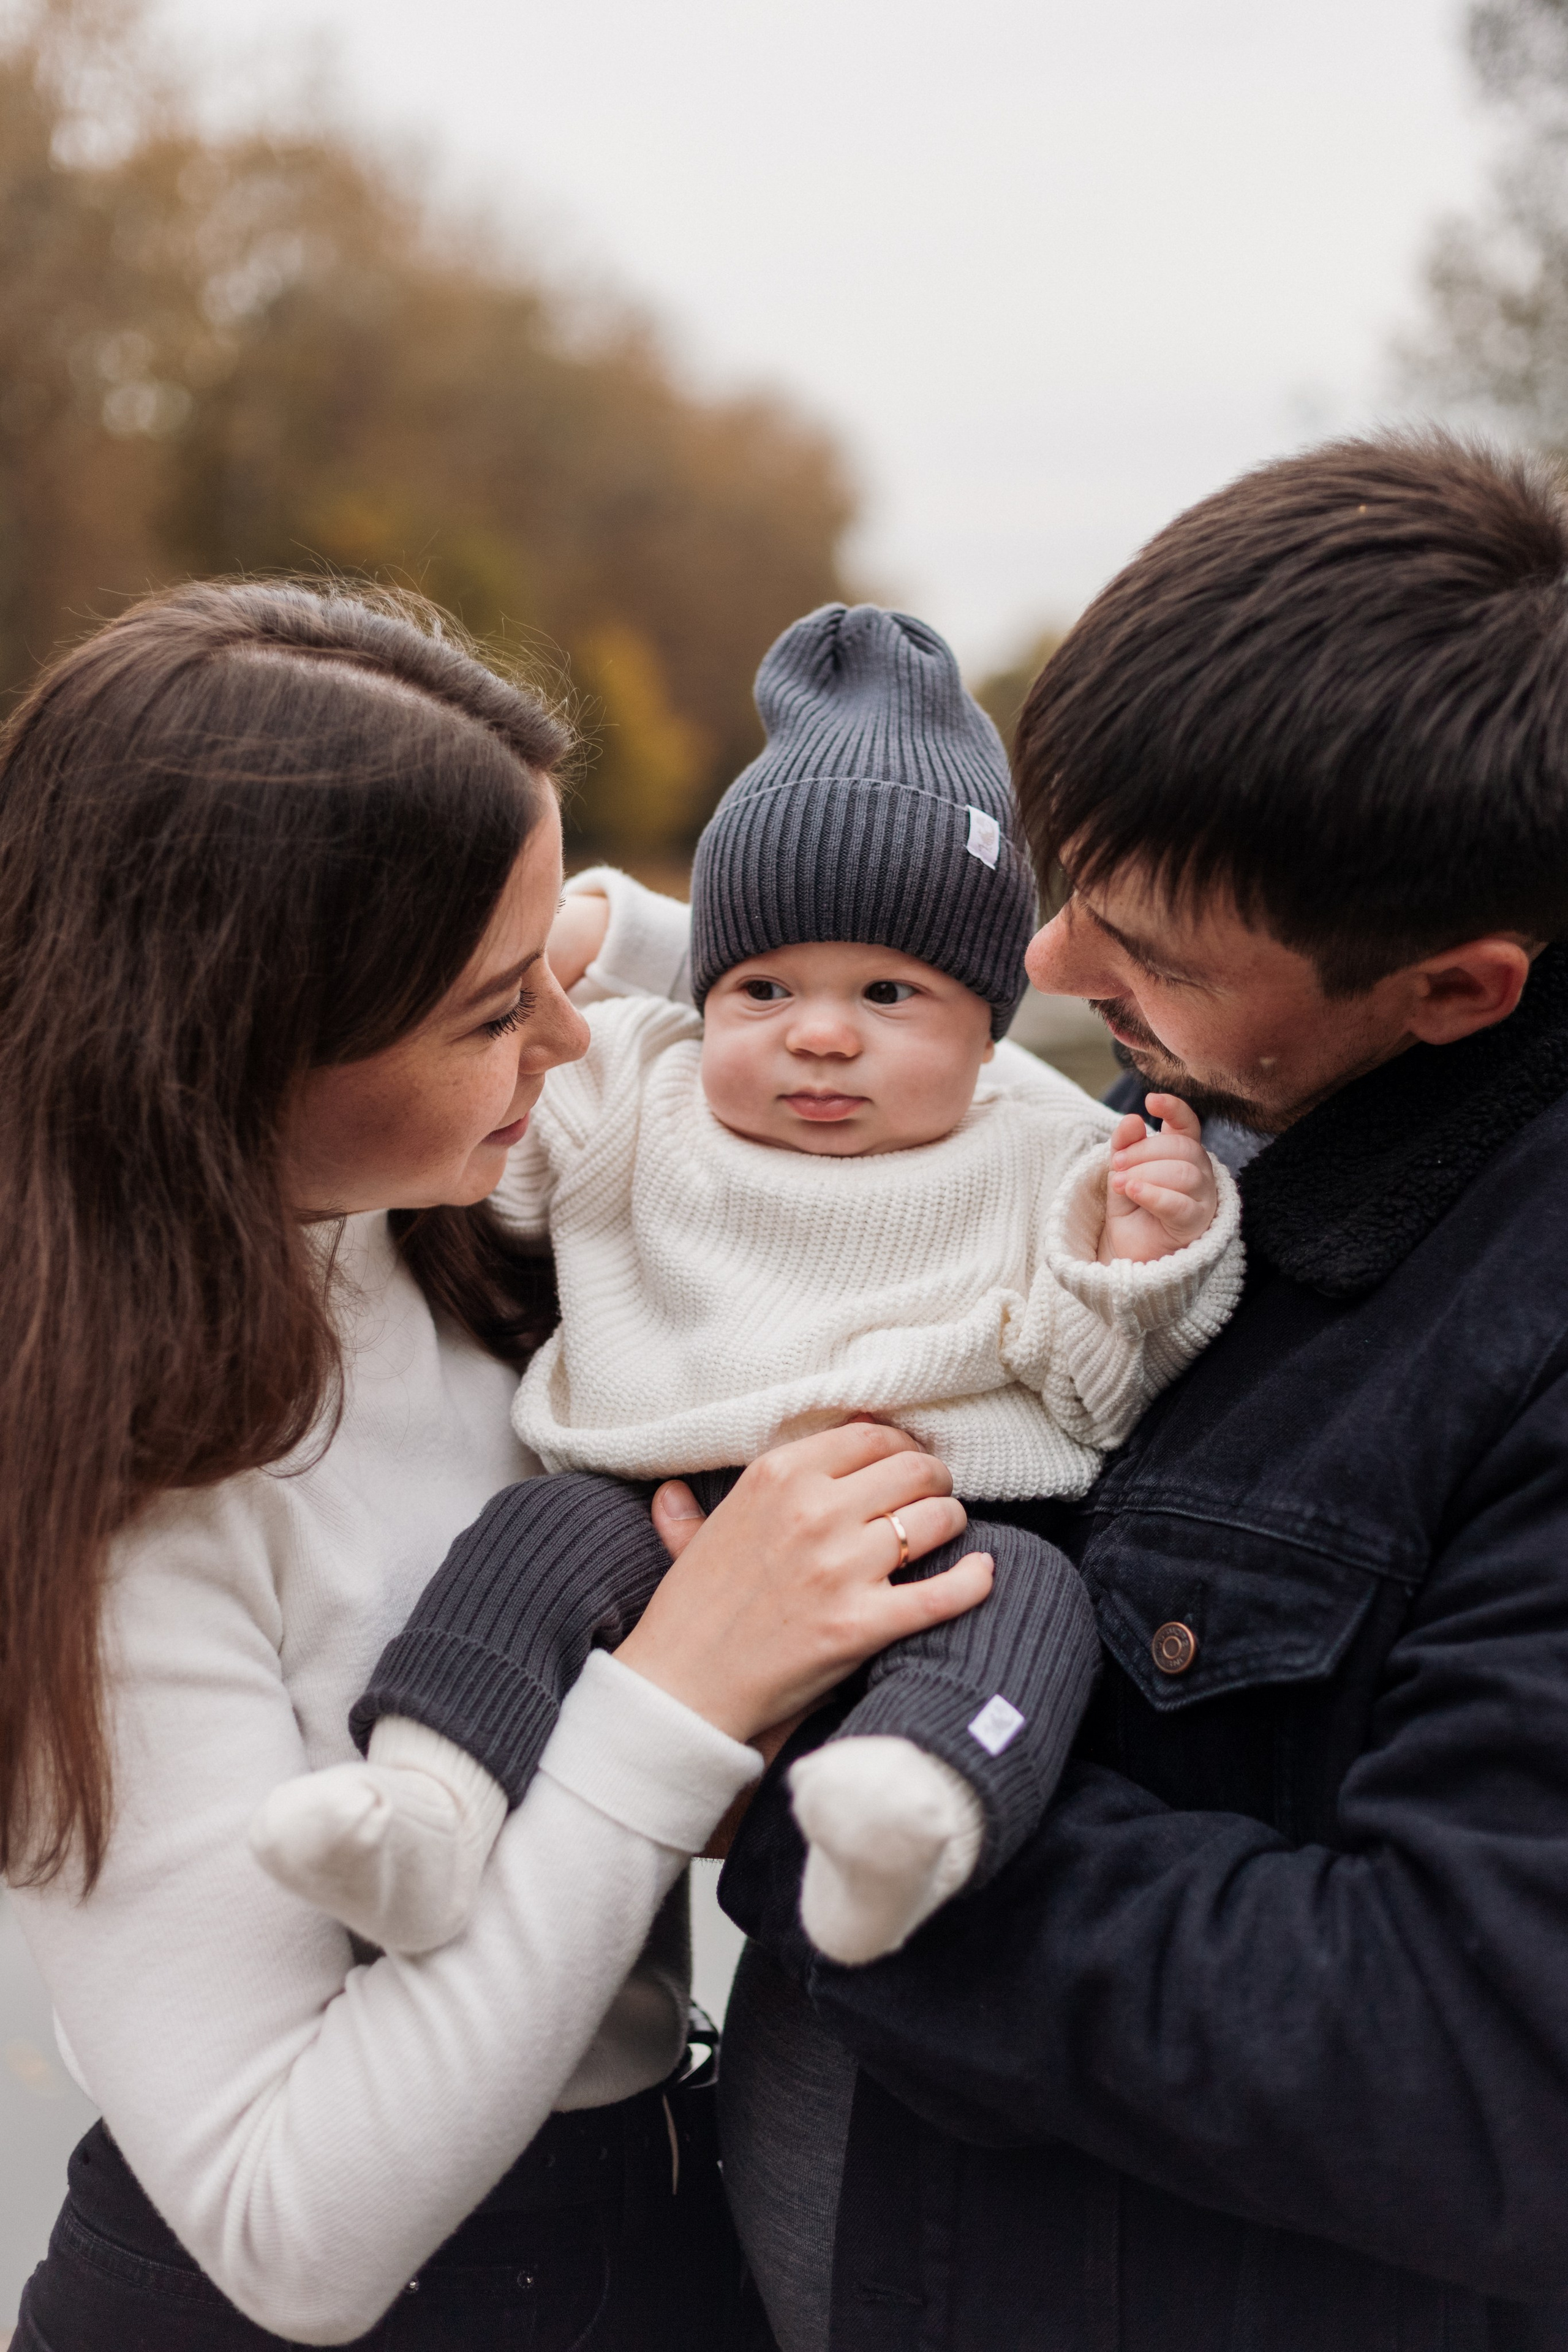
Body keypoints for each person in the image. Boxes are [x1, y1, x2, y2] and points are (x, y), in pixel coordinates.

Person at [0, 579, 990, 2352]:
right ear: (230, 1034)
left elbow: (839, 976)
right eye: (490, 1006)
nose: (573, 1033)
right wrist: (679, 1700)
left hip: (657, 2239)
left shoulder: (450, 1216)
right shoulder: (97, 1487)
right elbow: (288, 2232)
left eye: (563, 963)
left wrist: (587, 914)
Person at [704, 432, 1568, 2350]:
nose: (1047, 959)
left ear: (1456, 993)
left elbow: (1476, 2061)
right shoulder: (1202, 1118)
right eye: (1065, 873)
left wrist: (786, 1759)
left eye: (1143, 945)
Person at [249, 605, 1242, 1976]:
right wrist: (607, 928)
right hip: (644, 1512)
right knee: (521, 1546)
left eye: (891, 995)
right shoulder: (638, 1090)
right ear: (705, 993)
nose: (820, 1036)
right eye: (763, 988)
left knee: (1034, 1603)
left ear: (987, 1029)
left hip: (938, 1527)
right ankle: (426, 1804)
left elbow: (1101, 1379)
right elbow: (492, 1130)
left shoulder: (1043, 1147)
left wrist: (1145, 1253)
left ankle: (909, 1815)